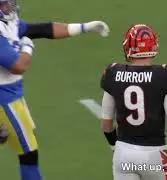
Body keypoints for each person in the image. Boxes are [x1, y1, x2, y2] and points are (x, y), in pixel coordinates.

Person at [0, 0, 109, 179]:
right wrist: (27, 48)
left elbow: (44, 30)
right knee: (28, 154)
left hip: (13, 95)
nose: (8, 8)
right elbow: (18, 65)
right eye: (3, 5)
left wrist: (84, 27)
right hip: (5, 99)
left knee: (28, 149)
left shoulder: (9, 23)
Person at [100, 24, 167, 180]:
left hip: (123, 152)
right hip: (154, 154)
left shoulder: (113, 72)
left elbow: (106, 123)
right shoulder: (165, 74)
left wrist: (115, 147)